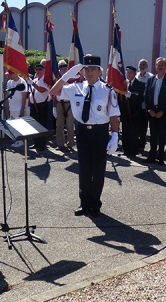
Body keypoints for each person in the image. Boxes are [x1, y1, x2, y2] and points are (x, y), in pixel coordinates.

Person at [50, 55, 120, 217]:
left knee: (98, 169)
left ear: (99, 72)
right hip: (82, 131)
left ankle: (95, 204)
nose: (89, 72)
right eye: (86, 69)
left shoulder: (108, 90)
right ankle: (84, 203)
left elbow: (113, 115)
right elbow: (54, 92)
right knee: (84, 169)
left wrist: (115, 136)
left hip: (99, 132)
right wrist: (66, 76)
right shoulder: (76, 87)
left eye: (93, 69)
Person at [144, 57, 166, 165]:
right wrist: (149, 109)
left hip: (163, 113)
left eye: (162, 65)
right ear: (155, 66)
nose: (160, 67)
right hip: (152, 112)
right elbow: (146, 96)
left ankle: (161, 157)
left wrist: (162, 111)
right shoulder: (151, 80)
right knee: (153, 135)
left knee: (162, 135)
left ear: (165, 66)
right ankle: (152, 155)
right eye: (158, 65)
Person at [120, 65, 146, 158]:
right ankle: (126, 151)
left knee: (134, 133)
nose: (128, 74)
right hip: (125, 113)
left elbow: (139, 99)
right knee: (125, 132)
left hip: (135, 113)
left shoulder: (140, 84)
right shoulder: (123, 84)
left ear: (135, 74)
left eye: (130, 72)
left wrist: (130, 95)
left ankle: (133, 151)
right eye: (127, 72)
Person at [5, 69, 28, 148]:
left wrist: (22, 108)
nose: (8, 76)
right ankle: (16, 139)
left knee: (19, 124)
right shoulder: (9, 82)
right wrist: (8, 107)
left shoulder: (22, 82)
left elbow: (24, 96)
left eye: (10, 74)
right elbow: (8, 96)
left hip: (18, 107)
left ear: (14, 73)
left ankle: (20, 140)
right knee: (13, 124)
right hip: (12, 107)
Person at [30, 63, 51, 151]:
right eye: (36, 69)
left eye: (40, 69)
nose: (38, 71)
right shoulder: (34, 80)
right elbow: (31, 93)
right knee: (34, 124)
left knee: (42, 124)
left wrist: (33, 84)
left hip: (43, 104)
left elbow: (42, 90)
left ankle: (42, 144)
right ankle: (36, 142)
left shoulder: (46, 80)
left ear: (44, 70)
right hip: (33, 105)